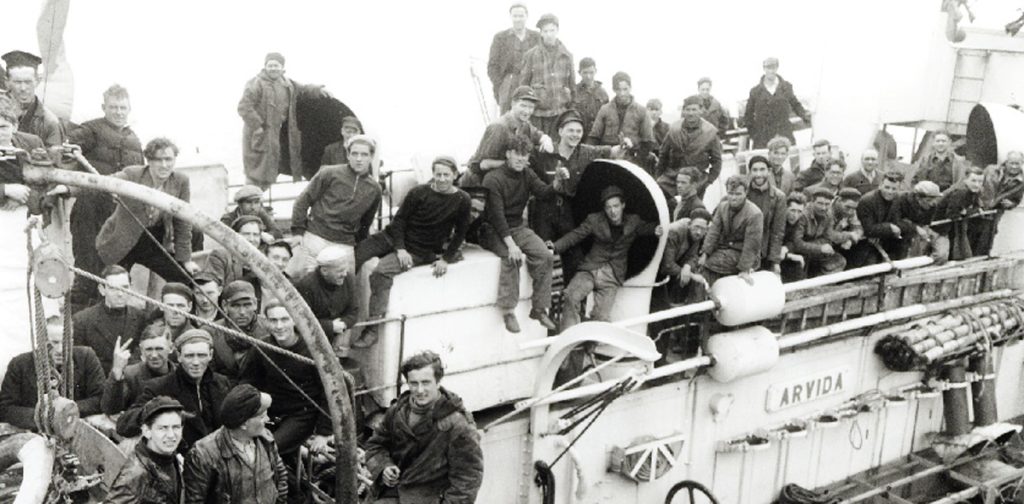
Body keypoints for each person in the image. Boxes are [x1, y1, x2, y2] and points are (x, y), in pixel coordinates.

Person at [356, 157, 471, 345]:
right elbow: (399, 220)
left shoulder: (462, 200)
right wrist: (400, 248)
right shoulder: (419, 193)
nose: (441, 179)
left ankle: (372, 328)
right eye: (438, 174)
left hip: (418, 249)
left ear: (455, 175)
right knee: (356, 255)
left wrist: (446, 259)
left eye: (446, 175)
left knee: (381, 272)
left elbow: (461, 232)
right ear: (432, 174)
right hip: (392, 237)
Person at [52, 137, 200, 282]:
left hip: (152, 241)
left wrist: (185, 260)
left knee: (185, 279)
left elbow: (182, 222)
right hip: (122, 239)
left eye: (168, 159)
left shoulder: (181, 181)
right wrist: (68, 188)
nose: (164, 165)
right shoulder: (133, 174)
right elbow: (101, 184)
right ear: (148, 161)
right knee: (113, 287)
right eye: (158, 160)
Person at [365, 351, 483, 504]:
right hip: (390, 494)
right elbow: (375, 445)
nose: (419, 390)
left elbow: (467, 480)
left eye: (426, 382)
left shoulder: (457, 424)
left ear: (438, 382)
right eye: (414, 383)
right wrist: (384, 468)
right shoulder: (397, 411)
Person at [66, 85, 145, 310]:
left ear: (129, 109)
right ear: (104, 107)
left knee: (119, 267)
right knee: (88, 267)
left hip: (120, 213)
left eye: (123, 108)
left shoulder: (134, 139)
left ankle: (113, 314)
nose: (119, 112)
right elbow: (68, 144)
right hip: (90, 211)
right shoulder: (90, 130)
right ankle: (77, 319)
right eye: (113, 107)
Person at [528, 109, 629, 280]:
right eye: (570, 130)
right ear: (560, 131)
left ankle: (571, 301)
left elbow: (612, 152)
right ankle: (542, 302)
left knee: (574, 259)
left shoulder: (586, 152)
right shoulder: (544, 151)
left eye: (579, 131)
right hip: (544, 210)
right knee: (542, 257)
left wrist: (624, 145)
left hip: (568, 211)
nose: (575, 135)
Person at [551, 186, 661, 330]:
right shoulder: (594, 220)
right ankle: (567, 340)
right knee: (571, 297)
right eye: (608, 207)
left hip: (612, 275)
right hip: (590, 270)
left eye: (616, 206)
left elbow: (647, 228)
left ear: (623, 205)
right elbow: (575, 235)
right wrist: (554, 247)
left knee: (601, 318)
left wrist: (657, 229)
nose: (612, 211)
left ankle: (589, 348)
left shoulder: (634, 221)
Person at [481, 135, 560, 333]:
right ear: (508, 154)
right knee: (511, 258)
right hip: (491, 229)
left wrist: (557, 181)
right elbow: (497, 216)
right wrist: (512, 246)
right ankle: (508, 310)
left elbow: (543, 193)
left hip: (516, 226)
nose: (521, 159)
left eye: (525, 155)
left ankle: (539, 308)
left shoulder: (527, 173)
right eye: (517, 154)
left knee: (544, 256)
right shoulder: (493, 179)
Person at [240, 302, 331, 459]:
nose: (279, 326)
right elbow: (248, 381)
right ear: (266, 322)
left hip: (301, 415)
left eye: (284, 319)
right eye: (273, 320)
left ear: (294, 320)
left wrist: (323, 433)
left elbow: (329, 393)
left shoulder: (313, 351)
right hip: (270, 411)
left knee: (265, 451)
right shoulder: (262, 347)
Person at [117, 329, 231, 451]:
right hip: (181, 458)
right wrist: (159, 408)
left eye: (201, 355)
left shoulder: (221, 383)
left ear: (211, 355)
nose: (196, 362)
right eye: (189, 356)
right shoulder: (159, 387)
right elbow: (124, 425)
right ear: (179, 357)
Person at [290, 135, 382, 277]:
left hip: (344, 244)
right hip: (316, 237)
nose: (359, 159)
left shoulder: (374, 189)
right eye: (354, 154)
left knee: (345, 285)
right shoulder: (328, 173)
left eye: (364, 154)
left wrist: (357, 245)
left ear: (371, 157)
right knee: (307, 283)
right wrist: (297, 232)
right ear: (348, 155)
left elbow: (366, 223)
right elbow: (302, 201)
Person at [183, 384, 289, 504]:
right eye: (262, 416)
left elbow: (280, 475)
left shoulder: (266, 438)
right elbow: (194, 501)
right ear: (243, 424)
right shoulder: (203, 454)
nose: (267, 419)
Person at [0, 314, 105, 431]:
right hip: (34, 432)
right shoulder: (20, 364)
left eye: (65, 343)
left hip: (75, 428)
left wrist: (65, 411)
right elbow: (6, 408)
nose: (60, 350)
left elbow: (100, 399)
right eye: (54, 343)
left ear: (72, 340)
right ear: (41, 342)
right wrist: (45, 416)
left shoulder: (86, 357)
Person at [238, 52, 327, 188]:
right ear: (265, 67)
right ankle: (249, 203)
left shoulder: (287, 83)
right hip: (259, 135)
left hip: (276, 136)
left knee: (270, 172)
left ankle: (258, 203)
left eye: (276, 65)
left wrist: (318, 90)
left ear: (282, 68)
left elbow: (304, 89)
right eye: (270, 65)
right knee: (255, 173)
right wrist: (258, 126)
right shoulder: (256, 83)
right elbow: (244, 107)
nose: (273, 68)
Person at [463, 86, 553, 188]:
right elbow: (483, 164)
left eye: (531, 107)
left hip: (502, 180)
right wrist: (513, 163)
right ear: (513, 104)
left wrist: (546, 140)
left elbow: (539, 135)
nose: (527, 111)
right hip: (477, 183)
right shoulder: (498, 127)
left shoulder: (524, 124)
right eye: (523, 106)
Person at [106, 396, 185, 504]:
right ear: (147, 431)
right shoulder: (134, 476)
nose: (171, 435)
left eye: (176, 427)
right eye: (163, 428)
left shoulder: (171, 458)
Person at [71, 265, 146, 374]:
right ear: (102, 290)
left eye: (125, 287)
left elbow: (141, 353)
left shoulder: (139, 317)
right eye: (113, 288)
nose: (120, 294)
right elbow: (79, 364)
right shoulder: (82, 320)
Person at [699, 175, 764, 287]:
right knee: (700, 262)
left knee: (709, 264)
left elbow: (752, 245)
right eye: (730, 193)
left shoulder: (754, 214)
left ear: (746, 193)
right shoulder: (722, 207)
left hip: (745, 255)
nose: (733, 198)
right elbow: (713, 232)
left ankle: (705, 296)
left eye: (738, 194)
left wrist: (744, 269)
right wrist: (705, 253)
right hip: (725, 250)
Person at [294, 247, 360, 352]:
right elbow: (301, 321)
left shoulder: (349, 279)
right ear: (324, 271)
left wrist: (342, 324)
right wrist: (330, 326)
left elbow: (353, 312)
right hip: (309, 342)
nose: (345, 274)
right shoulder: (306, 285)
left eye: (345, 269)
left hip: (339, 335)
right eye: (340, 271)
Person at [518, 13, 574, 137]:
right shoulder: (531, 55)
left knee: (556, 150)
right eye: (545, 31)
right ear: (541, 33)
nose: (549, 34)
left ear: (557, 31)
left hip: (560, 114)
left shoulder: (567, 56)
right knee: (537, 149)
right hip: (538, 116)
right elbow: (523, 88)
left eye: (552, 30)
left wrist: (570, 112)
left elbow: (572, 86)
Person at [102, 322, 175, 416]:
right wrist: (117, 372)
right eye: (149, 349)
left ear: (171, 348)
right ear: (141, 350)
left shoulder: (180, 374)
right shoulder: (130, 375)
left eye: (159, 349)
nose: (154, 355)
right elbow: (110, 409)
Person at [656, 95, 722, 199]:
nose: (691, 113)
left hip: (696, 179)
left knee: (693, 208)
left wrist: (709, 180)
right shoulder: (674, 129)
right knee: (658, 195)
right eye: (688, 109)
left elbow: (717, 160)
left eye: (694, 109)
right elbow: (663, 154)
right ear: (684, 111)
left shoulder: (710, 132)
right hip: (673, 175)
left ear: (701, 110)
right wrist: (659, 175)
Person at [588, 71, 655, 170]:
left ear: (630, 88)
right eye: (618, 90)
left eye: (625, 89)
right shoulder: (605, 109)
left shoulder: (642, 111)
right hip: (608, 158)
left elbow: (648, 142)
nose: (622, 93)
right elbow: (594, 137)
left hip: (632, 159)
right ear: (613, 89)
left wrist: (637, 161)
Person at [743, 57, 811, 149]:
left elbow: (795, 104)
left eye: (773, 68)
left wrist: (805, 116)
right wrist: (754, 134)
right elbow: (748, 115)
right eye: (768, 68)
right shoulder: (755, 91)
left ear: (777, 68)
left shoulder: (786, 87)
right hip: (763, 138)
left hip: (783, 133)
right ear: (764, 69)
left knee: (788, 159)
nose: (771, 71)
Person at [210, 280, 270, 381]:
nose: (242, 312)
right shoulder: (211, 331)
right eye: (235, 306)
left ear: (255, 304)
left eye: (247, 305)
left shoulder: (268, 328)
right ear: (225, 306)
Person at [1, 50, 63, 147]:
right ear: (6, 82)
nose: (23, 88)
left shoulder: (49, 122)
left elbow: (53, 159)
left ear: (37, 81)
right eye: (17, 82)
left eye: (28, 82)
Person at [487, 3, 540, 113]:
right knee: (508, 118)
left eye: (521, 16)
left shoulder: (536, 37)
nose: (518, 19)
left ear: (526, 16)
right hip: (509, 83)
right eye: (515, 16)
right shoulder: (501, 38)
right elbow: (492, 66)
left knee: (530, 116)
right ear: (510, 17)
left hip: (531, 83)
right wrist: (501, 85)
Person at [849, 172, 904, 267]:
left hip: (886, 240)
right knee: (869, 269)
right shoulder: (867, 200)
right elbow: (869, 229)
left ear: (898, 189)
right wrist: (890, 227)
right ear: (880, 185)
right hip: (866, 244)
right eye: (887, 187)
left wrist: (892, 228)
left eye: (894, 188)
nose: (890, 191)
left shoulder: (898, 199)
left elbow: (898, 220)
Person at [975, 151, 1024, 255]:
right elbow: (976, 183)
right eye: (1012, 163)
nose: (1014, 166)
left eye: (1017, 163)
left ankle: (981, 266)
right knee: (968, 236)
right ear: (1006, 162)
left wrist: (1011, 204)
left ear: (1022, 163)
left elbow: (1016, 200)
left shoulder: (1021, 182)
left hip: (993, 213)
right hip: (977, 208)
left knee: (986, 241)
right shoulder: (991, 170)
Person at [789, 187, 847, 277]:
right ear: (812, 202)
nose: (823, 208)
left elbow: (828, 237)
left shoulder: (828, 214)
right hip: (798, 252)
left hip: (813, 251)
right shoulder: (803, 215)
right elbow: (797, 243)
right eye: (820, 203)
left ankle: (818, 283)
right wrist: (820, 248)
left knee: (840, 261)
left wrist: (821, 247)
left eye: (827, 204)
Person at [746, 156, 787, 274]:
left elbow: (777, 231)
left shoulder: (779, 197)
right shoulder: (743, 194)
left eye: (762, 169)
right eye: (755, 170)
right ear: (750, 173)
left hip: (764, 252)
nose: (758, 174)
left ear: (769, 172)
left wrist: (775, 262)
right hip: (743, 251)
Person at [933, 166, 985, 260]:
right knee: (941, 255)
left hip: (949, 226)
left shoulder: (974, 189)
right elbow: (952, 215)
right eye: (973, 181)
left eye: (980, 181)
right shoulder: (961, 191)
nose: (977, 185)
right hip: (937, 226)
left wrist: (973, 209)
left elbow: (976, 202)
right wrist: (970, 211)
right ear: (965, 180)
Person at [660, 208, 712, 302]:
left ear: (707, 229)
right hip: (654, 270)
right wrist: (691, 275)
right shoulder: (674, 232)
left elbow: (694, 255)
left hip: (672, 267)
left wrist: (687, 266)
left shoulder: (699, 234)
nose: (698, 232)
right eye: (696, 227)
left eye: (703, 229)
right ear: (689, 224)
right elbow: (667, 265)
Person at [891, 181, 947, 262]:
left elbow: (926, 223)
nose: (932, 203)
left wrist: (923, 231)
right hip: (895, 233)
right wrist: (916, 228)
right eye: (928, 200)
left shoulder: (933, 206)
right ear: (918, 198)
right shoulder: (901, 200)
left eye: (934, 200)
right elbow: (895, 220)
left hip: (914, 234)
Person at [206, 215, 264, 291]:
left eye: (255, 235)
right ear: (235, 236)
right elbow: (214, 290)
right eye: (246, 234)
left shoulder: (263, 260)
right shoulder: (219, 256)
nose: (251, 239)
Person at [573, 58, 609, 138]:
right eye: (585, 73)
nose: (588, 76)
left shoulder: (603, 93)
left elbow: (607, 118)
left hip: (598, 136)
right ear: (579, 73)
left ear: (596, 71)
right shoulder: (574, 92)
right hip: (579, 135)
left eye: (591, 72)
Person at [831, 188, 865, 264]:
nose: (850, 212)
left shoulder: (851, 210)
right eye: (847, 207)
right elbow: (828, 235)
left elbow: (858, 229)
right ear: (839, 200)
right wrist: (849, 235)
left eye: (854, 208)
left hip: (837, 242)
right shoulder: (827, 209)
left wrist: (851, 240)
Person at [780, 192, 809, 282]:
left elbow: (794, 241)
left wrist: (786, 248)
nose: (795, 215)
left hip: (785, 255)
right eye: (792, 210)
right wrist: (790, 255)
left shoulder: (800, 221)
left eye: (799, 211)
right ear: (786, 208)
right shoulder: (777, 220)